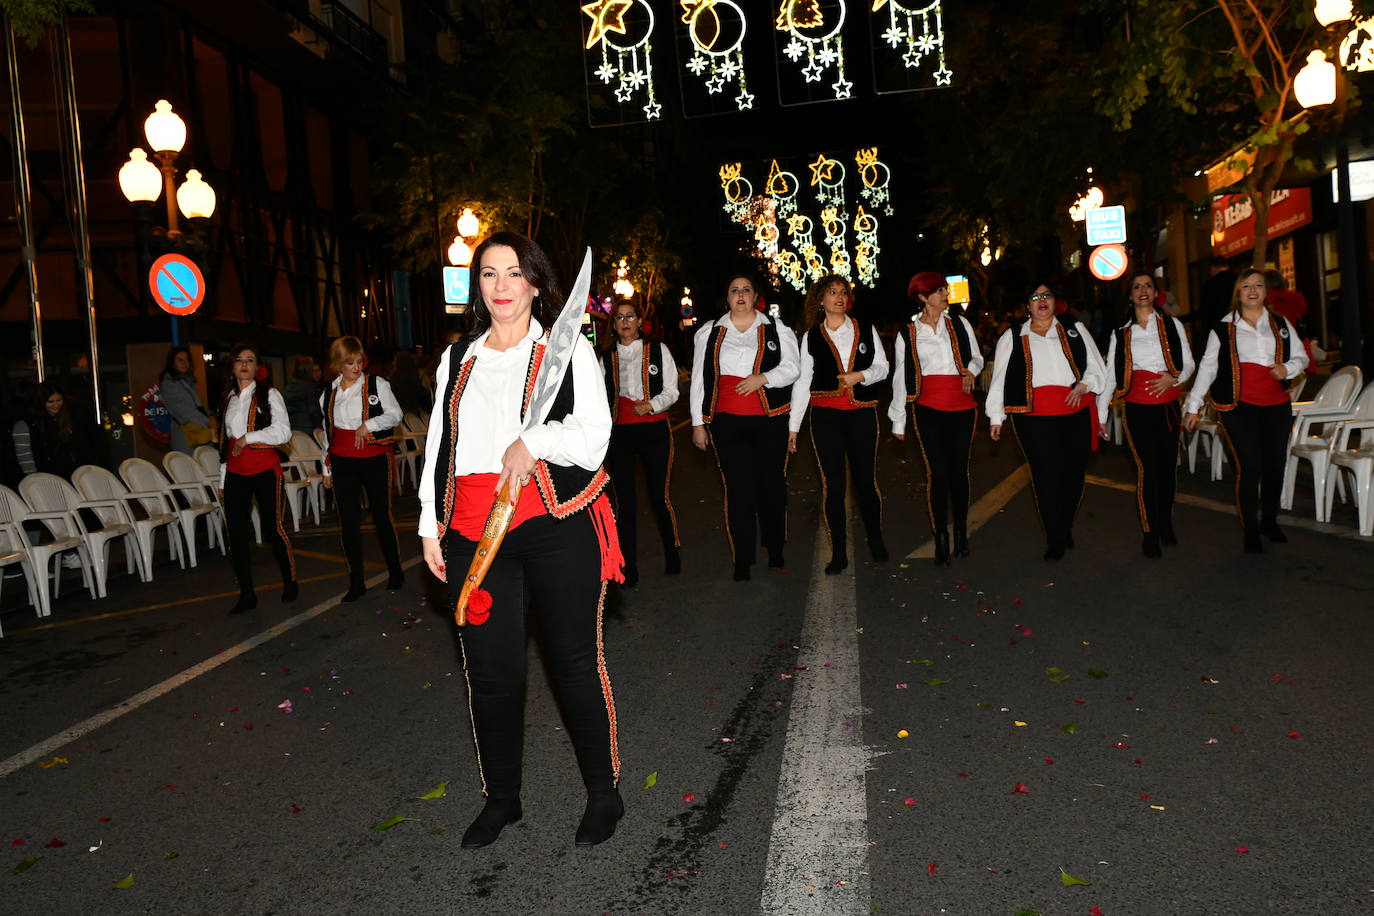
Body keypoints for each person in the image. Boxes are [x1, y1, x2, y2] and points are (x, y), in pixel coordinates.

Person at [417, 232, 624, 849]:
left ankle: (603, 794)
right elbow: (439, 447)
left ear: (535, 283)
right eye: (489, 274)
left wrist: (536, 440)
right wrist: (431, 521)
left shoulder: (568, 352)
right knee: (491, 672)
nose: (501, 286)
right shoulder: (457, 360)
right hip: (473, 534)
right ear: (477, 286)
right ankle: (502, 799)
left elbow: (593, 437)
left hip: (552, 522)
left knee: (574, 665)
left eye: (513, 273)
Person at [1184, 269, 1308, 553]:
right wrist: (1193, 405)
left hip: (1276, 405)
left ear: (1266, 291)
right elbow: (1208, 367)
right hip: (1237, 407)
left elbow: (1301, 356)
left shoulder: (1280, 323)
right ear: (1237, 293)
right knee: (1250, 466)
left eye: (1258, 285)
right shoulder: (1224, 327)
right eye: (1246, 286)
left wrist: (1287, 368)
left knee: (1275, 465)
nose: (1252, 291)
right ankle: (1250, 528)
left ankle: (1270, 521)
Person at [986, 281, 1109, 560]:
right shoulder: (1013, 336)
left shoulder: (1074, 330)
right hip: (1033, 418)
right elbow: (1000, 378)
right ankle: (1055, 536)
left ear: (1055, 301)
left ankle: (1064, 525)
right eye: (1035, 297)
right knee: (1045, 477)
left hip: (1074, 412)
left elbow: (1096, 367)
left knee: (1074, 477)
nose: (1042, 301)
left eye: (1047, 296)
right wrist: (996, 416)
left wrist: (1085, 384)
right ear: (1027, 306)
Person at [689, 272, 800, 582]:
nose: (740, 294)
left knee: (771, 486)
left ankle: (775, 546)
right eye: (734, 289)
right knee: (738, 490)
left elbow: (793, 369)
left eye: (746, 289)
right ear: (726, 298)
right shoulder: (708, 332)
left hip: (770, 420)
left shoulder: (777, 329)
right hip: (726, 421)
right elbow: (700, 379)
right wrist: (698, 423)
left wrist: (763, 378)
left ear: (755, 296)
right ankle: (743, 557)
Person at [788, 274, 888, 574]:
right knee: (833, 486)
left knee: (865, 483)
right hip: (825, 417)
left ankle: (876, 540)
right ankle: (839, 553)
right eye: (832, 292)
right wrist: (793, 428)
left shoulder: (865, 329)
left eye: (843, 292)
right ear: (821, 300)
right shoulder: (811, 337)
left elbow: (882, 367)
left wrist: (860, 376)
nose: (839, 297)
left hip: (861, 415)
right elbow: (803, 382)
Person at [1097, 273, 1195, 558]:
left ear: (1156, 293)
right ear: (1130, 295)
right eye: (1137, 287)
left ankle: (1165, 523)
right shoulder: (1122, 333)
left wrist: (1173, 378)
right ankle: (1150, 531)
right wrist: (1101, 413)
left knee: (1166, 470)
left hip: (1168, 407)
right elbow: (1112, 376)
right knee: (1147, 470)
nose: (1143, 291)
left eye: (1148, 286)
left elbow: (1188, 364)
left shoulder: (1172, 325)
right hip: (1137, 408)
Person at [889, 272, 984, 565]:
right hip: (928, 407)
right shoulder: (909, 332)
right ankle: (940, 535)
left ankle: (962, 533)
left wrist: (970, 371)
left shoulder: (960, 323)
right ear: (922, 297)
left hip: (962, 407)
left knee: (959, 472)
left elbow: (977, 358)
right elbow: (901, 376)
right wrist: (898, 419)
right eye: (939, 290)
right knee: (938, 474)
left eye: (945, 289)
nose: (946, 294)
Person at [601, 299, 681, 587]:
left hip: (654, 432)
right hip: (620, 436)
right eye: (619, 317)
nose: (625, 322)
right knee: (626, 504)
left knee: (659, 497)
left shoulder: (658, 350)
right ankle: (628, 566)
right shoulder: (606, 358)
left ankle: (672, 554)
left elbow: (672, 390)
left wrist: (652, 405)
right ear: (614, 325)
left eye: (630, 316)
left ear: (639, 321)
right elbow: (598, 399)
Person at [320, 336, 405, 602]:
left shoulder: (377, 384)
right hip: (342, 459)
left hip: (373, 456)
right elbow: (327, 432)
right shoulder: (327, 394)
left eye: (359, 361)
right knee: (348, 521)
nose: (356, 367)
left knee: (381, 515)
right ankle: (356, 581)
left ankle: (395, 571)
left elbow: (395, 415)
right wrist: (326, 469)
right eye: (349, 363)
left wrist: (368, 425)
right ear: (337, 365)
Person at [217, 344, 298, 614]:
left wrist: (249, 438)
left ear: (258, 366)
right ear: (232, 365)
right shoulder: (227, 397)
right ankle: (246, 594)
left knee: (273, 528)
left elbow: (283, 432)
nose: (244, 364)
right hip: (235, 472)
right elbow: (224, 443)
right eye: (239, 360)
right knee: (236, 534)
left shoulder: (269, 394)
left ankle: (290, 581)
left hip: (263, 468)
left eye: (250, 360)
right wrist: (221, 478)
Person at [31, 381, 104, 477]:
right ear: (42, 402)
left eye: (59, 400)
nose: (56, 405)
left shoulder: (76, 414)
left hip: (80, 468)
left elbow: (89, 443)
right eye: (51, 402)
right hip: (53, 471)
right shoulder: (38, 420)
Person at [159, 346, 215, 455]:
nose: (184, 363)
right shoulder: (170, 383)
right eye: (180, 360)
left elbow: (197, 406)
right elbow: (184, 410)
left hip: (197, 431)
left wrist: (211, 416)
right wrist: (207, 421)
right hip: (187, 434)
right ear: (172, 363)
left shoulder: (186, 381)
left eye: (187, 360)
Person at [283, 356, 323, 434]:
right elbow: (313, 410)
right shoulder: (309, 386)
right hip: (308, 428)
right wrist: (320, 426)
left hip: (292, 428)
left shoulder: (290, 384)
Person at [389, 350, 432, 416]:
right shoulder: (416, 373)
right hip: (415, 408)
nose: (393, 362)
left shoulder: (395, 376)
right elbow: (420, 391)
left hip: (402, 410)